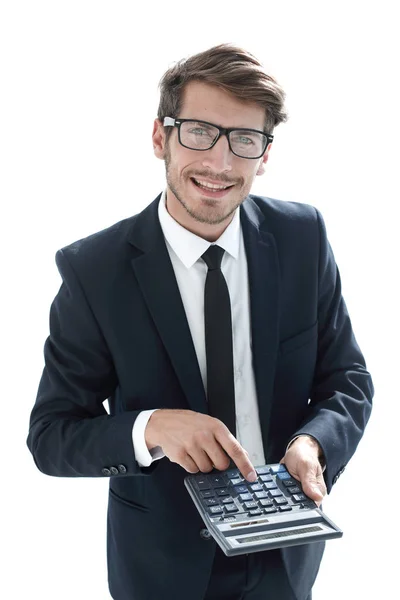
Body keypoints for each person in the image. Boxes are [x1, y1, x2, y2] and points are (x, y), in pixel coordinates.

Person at [27, 43, 373, 600]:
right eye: (198, 132)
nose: (220, 163)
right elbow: (51, 438)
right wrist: (151, 428)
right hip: (162, 567)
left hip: (285, 548)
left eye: (244, 140)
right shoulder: (95, 271)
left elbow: (348, 381)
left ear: (264, 154)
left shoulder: (302, 237)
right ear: (160, 137)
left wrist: (314, 444)